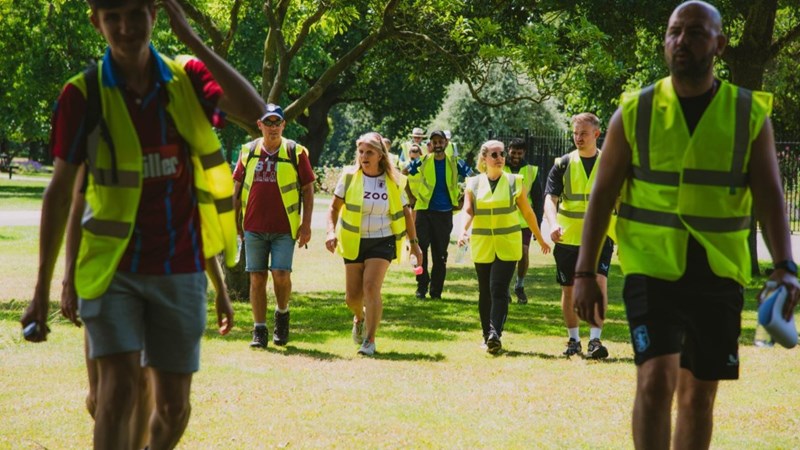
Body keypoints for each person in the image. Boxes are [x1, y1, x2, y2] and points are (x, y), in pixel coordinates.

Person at [20, 0, 257, 447]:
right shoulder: (83, 94)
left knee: (173, 408)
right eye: (112, 16)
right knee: (116, 393)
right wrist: (43, 289)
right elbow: (62, 194)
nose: (125, 27)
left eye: (135, 13)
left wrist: (191, 39)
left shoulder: (187, 78)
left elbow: (254, 109)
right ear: (96, 22)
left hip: (179, 268)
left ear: (155, 14)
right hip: (114, 271)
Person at [572, 2, 800, 448]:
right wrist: (584, 273)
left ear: (720, 44)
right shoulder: (635, 111)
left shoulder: (747, 113)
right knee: (655, 382)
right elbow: (601, 195)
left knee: (698, 397)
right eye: (674, 32)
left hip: (718, 273)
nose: (681, 41)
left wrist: (785, 266)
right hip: (650, 268)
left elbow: (770, 195)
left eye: (695, 32)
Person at [60, 165, 233, 449]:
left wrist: (220, 290)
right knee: (101, 398)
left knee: (148, 389)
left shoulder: (185, 146)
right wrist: (68, 279)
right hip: (109, 276)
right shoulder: (101, 142)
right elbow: (76, 207)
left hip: (169, 278)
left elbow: (196, 226)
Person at [325, 132, 423, 355]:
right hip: (353, 241)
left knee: (371, 287)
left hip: (382, 240)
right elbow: (333, 208)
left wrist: (414, 244)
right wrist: (330, 232)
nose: (364, 156)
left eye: (369, 152)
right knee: (352, 298)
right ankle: (359, 317)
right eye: (361, 152)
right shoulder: (349, 177)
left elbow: (406, 213)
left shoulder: (393, 180)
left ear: (380, 155)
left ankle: (369, 340)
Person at [233, 103, 315, 348]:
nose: (273, 127)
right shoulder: (248, 151)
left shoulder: (295, 151)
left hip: (284, 228)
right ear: (259, 125)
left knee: (281, 274)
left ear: (283, 124)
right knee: (257, 277)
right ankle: (259, 329)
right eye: (268, 122)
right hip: (253, 226)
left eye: (276, 122)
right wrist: (234, 221)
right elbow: (236, 190)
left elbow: (308, 189)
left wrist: (306, 225)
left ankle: (282, 314)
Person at [458, 140, 550, 353]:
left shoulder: (514, 181)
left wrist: (540, 238)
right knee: (485, 291)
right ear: (484, 159)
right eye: (494, 154)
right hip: (483, 245)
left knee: (498, 288)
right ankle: (486, 336)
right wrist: (463, 230)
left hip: (508, 244)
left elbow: (528, 212)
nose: (500, 158)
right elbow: (468, 210)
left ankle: (495, 333)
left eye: (501, 154)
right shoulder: (473, 183)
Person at [544, 113, 614, 359]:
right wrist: (553, 223)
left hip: (600, 237)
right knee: (569, 291)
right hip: (568, 238)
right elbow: (550, 199)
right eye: (575, 133)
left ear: (597, 134)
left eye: (583, 133)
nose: (578, 138)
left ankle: (595, 340)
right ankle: (574, 340)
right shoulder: (562, 164)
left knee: (599, 283)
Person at [405, 130, 473, 299]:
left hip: (444, 214)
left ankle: (436, 291)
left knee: (440, 253)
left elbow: (473, 178)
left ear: (446, 143)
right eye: (434, 142)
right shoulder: (423, 160)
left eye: (440, 142)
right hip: (424, 212)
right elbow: (403, 173)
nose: (437, 145)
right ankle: (421, 286)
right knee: (420, 251)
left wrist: (464, 198)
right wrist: (410, 196)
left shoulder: (455, 162)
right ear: (430, 144)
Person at [504, 138, 544, 304]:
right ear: (508, 150)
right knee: (506, 256)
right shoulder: (500, 166)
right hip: (504, 219)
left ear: (524, 153)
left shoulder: (531, 171)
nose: (516, 156)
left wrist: (537, 226)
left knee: (523, 252)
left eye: (519, 153)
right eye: (513, 152)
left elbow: (538, 200)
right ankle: (504, 288)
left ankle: (519, 285)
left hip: (524, 220)